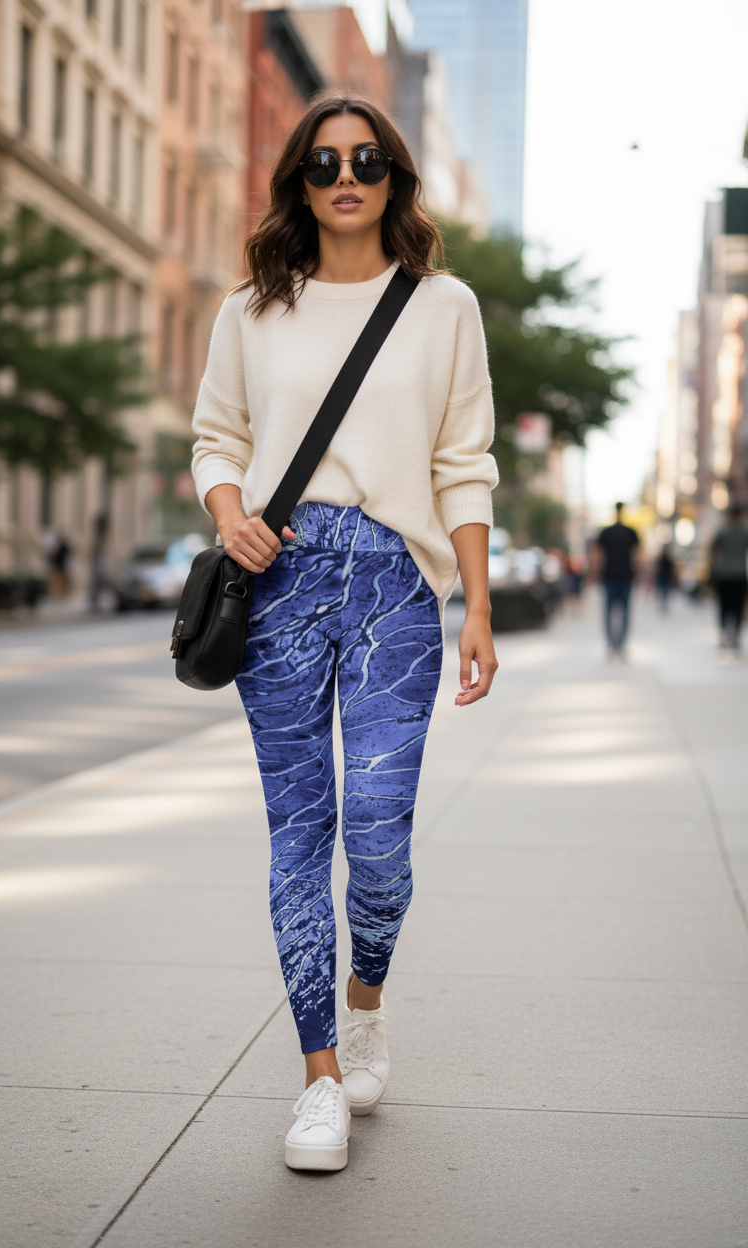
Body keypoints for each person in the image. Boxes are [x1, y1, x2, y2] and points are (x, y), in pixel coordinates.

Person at [192, 89, 498, 1171]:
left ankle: (366, 1001)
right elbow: (215, 437)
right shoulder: (252, 307)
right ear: (299, 183)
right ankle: (319, 1075)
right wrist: (234, 522)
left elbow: (463, 462)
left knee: (377, 837)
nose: (344, 177)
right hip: (276, 588)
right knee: (296, 834)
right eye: (322, 164)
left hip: (394, 595)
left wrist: (476, 606)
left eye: (365, 158)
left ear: (394, 174)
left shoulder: (443, 305)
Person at [595, 502, 639, 657]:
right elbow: (637, 557)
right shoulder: (630, 532)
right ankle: (622, 644)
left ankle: (610, 645)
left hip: (610, 576)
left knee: (608, 611)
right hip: (625, 576)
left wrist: (592, 575)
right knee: (625, 611)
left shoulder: (606, 532)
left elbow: (598, 557)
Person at [710, 503, 748, 653]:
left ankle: (725, 635)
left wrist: (712, 571)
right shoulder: (745, 532)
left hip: (724, 574)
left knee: (724, 607)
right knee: (738, 607)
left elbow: (713, 552)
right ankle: (735, 637)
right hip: (739, 574)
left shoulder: (722, 532)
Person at [655, 544, 676, 612]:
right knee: (664, 592)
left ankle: (664, 604)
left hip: (665, 577)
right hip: (664, 577)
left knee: (664, 592)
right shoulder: (664, 559)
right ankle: (664, 604)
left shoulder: (663, 559)